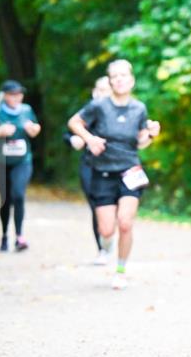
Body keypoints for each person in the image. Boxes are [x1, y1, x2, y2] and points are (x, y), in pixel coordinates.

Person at [67, 60, 161, 290]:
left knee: (125, 223)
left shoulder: (139, 108)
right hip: (102, 171)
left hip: (130, 170)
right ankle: (106, 244)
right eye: (114, 76)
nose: (119, 79)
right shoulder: (99, 106)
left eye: (123, 75)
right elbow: (74, 122)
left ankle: (120, 270)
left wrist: (151, 135)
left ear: (131, 80)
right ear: (110, 81)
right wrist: (90, 139)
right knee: (107, 230)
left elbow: (139, 143)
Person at [0, 80, 42, 252]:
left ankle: (20, 237)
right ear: (5, 95)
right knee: (5, 200)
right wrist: (0, 131)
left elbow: (36, 129)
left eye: (19, 94)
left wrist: (33, 129)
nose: (17, 97)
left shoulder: (27, 110)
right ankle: (5, 235)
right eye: (13, 94)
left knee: (18, 195)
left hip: (22, 161)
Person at [65, 77, 113, 265]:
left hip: (115, 165)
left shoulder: (123, 111)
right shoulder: (89, 111)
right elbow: (68, 133)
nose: (102, 94)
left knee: (114, 207)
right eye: (99, 90)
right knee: (96, 206)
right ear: (94, 91)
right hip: (90, 164)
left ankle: (110, 237)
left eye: (106, 90)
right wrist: (73, 140)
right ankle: (102, 249)